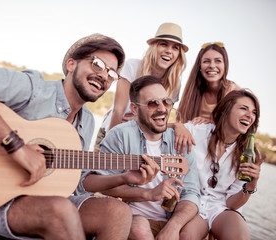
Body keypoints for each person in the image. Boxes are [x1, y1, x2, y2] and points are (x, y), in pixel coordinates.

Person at [0, 33, 134, 240]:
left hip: (43, 206)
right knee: (61, 210)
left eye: (112, 74)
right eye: (97, 64)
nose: (104, 76)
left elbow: (79, 181)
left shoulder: (88, 122)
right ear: (72, 64)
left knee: (118, 212)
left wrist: (124, 177)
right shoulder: (34, 89)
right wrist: (15, 146)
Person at [72, 75, 200, 239]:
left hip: (171, 218)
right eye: (153, 103)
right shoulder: (120, 135)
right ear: (134, 109)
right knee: (140, 229)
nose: (162, 108)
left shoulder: (181, 140)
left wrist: (173, 227)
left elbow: (191, 192)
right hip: (131, 216)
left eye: (166, 101)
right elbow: (95, 183)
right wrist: (147, 193)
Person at [179, 89, 262, 240]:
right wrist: (178, 126)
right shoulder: (199, 131)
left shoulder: (248, 154)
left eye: (254, 112)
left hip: (221, 209)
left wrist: (251, 184)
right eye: (243, 108)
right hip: (192, 202)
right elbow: (163, 129)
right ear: (226, 109)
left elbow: (232, 203)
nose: (250, 116)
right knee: (186, 236)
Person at [94, 22, 188, 151]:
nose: (168, 51)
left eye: (175, 48)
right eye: (163, 44)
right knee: (98, 170)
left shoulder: (174, 85)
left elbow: (160, 121)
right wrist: (111, 145)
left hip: (142, 141)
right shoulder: (133, 66)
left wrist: (177, 126)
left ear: (179, 55)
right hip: (113, 129)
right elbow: (118, 110)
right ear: (154, 47)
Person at [177, 42, 239, 124]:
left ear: (225, 65)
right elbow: (180, 122)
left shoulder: (235, 92)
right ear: (199, 66)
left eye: (218, 61)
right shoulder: (191, 91)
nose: (212, 66)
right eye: (206, 61)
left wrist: (210, 123)